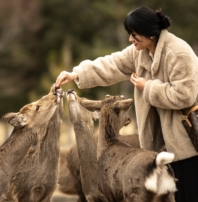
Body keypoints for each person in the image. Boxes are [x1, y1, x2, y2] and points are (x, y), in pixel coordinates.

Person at [55, 6, 198, 202]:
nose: (131, 39)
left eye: (134, 34)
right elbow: (112, 64)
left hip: (187, 146)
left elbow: (185, 95)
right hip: (162, 145)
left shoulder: (179, 54)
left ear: (150, 34)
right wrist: (77, 73)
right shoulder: (139, 52)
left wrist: (147, 87)